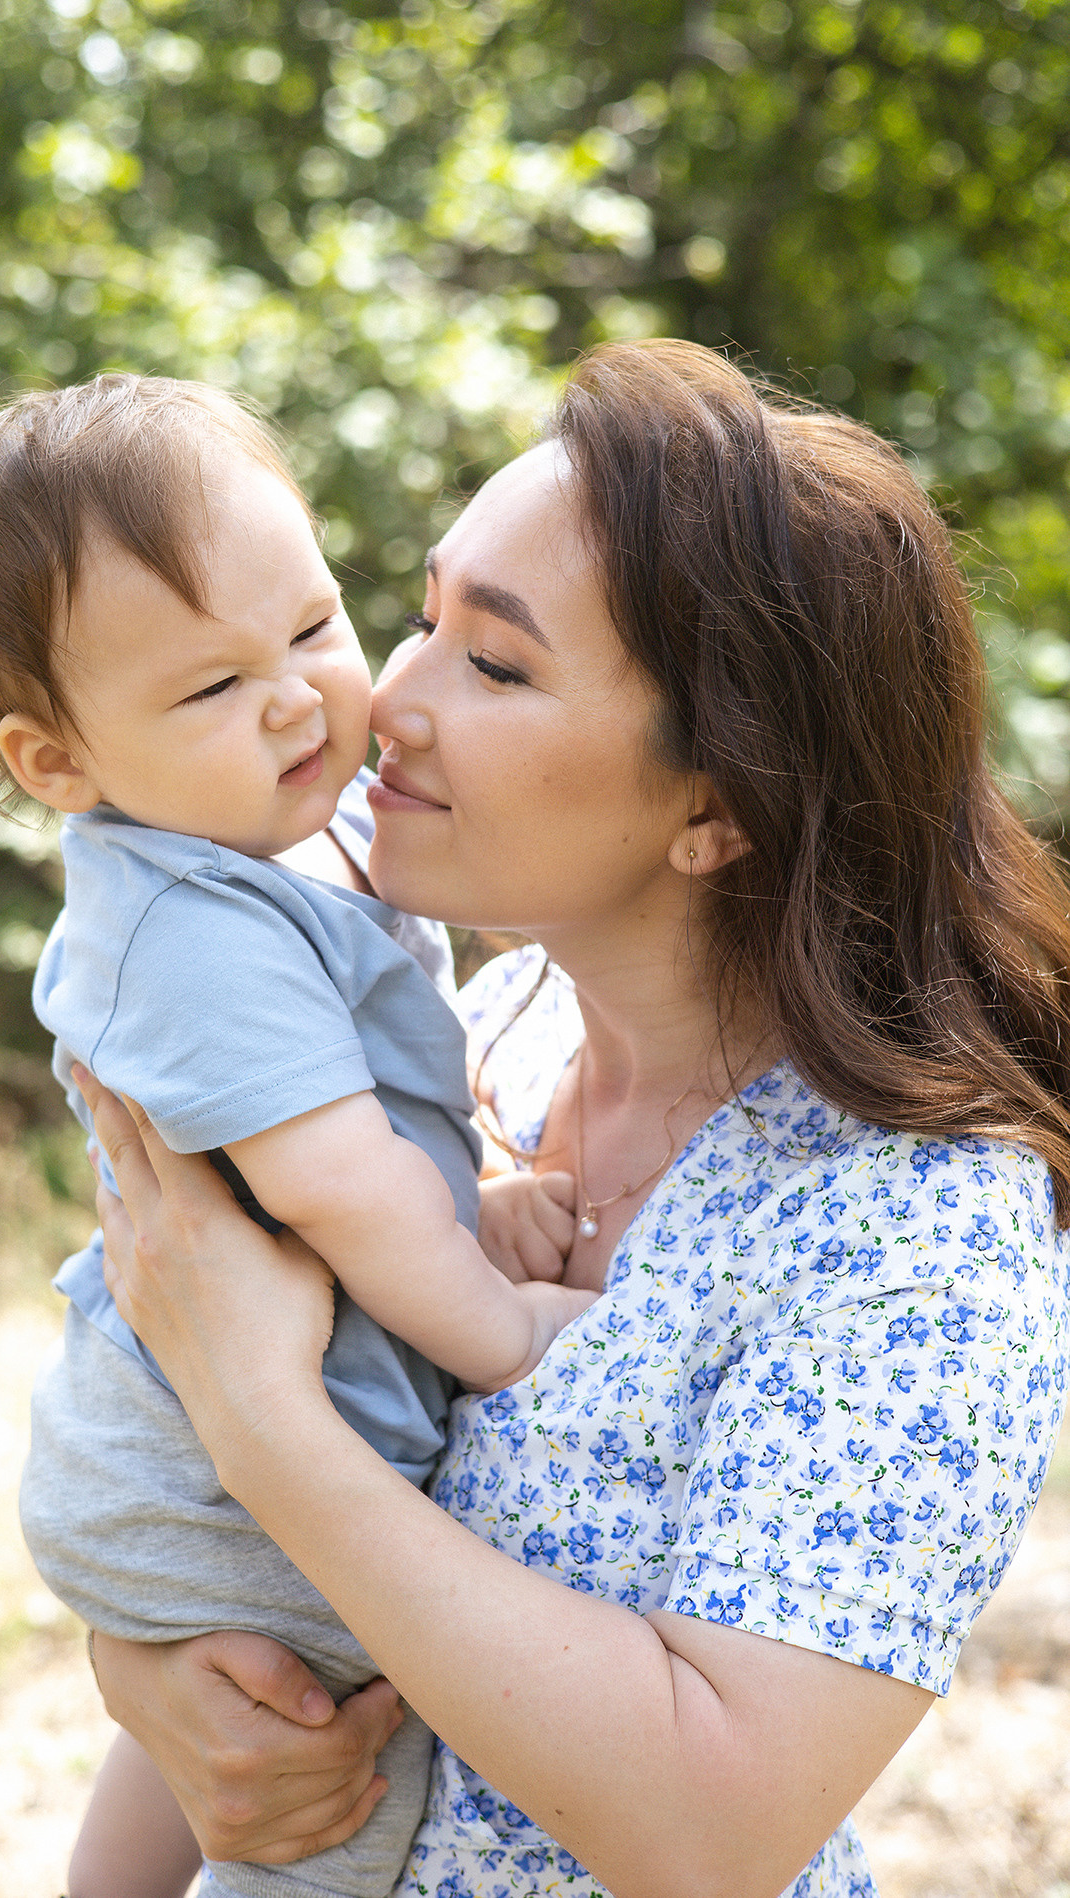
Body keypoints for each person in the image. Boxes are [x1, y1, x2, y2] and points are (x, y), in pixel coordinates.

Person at [76, 339, 1070, 1898]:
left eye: (497, 662)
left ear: (715, 802)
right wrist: (149, 1672)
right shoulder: (476, 1037)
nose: (384, 701)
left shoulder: (916, 1231)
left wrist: (262, 1422)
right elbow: (271, 1575)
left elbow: (710, 1827)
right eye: (413, 619)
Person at [0, 374, 592, 1898]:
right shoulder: (187, 924)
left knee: (215, 1751)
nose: (296, 696)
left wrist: (475, 1189)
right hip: (196, 1481)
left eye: (308, 628)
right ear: (57, 762)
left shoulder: (279, 859)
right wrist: (494, 1316)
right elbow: (333, 1184)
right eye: (210, 688)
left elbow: (350, 1136)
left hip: (197, 1449)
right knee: (329, 1791)